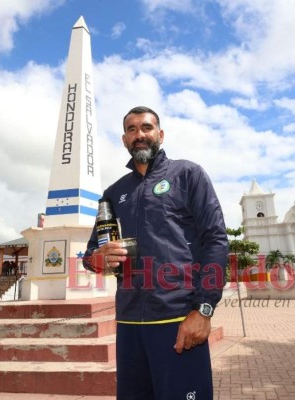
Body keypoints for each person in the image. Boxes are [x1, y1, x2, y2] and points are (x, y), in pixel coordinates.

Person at [83, 106, 228, 399]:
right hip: (128, 322)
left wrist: (204, 309)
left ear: (160, 134)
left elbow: (215, 240)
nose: (140, 135)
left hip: (179, 320)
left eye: (146, 128)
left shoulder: (188, 174)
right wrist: (97, 259)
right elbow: (91, 254)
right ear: (124, 139)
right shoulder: (113, 193)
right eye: (132, 129)